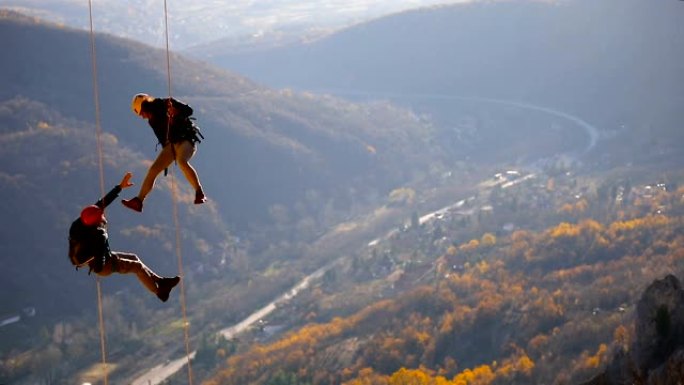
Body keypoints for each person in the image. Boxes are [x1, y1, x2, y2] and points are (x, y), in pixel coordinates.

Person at [69, 172, 180, 302]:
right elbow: (99, 264)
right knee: (136, 267)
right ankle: (159, 291)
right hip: (105, 265)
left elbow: (101, 203)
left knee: (134, 258)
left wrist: (119, 187)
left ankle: (160, 281)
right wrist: (110, 262)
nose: (103, 217)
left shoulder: (81, 223)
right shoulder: (99, 235)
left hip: (101, 256)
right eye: (101, 218)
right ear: (96, 223)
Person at [122, 93, 206, 213]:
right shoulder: (152, 121)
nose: (143, 117)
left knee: (182, 161)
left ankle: (199, 192)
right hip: (171, 145)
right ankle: (139, 201)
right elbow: (163, 139)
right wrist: (165, 158)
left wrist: (176, 112)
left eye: (141, 113)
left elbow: (189, 110)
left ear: (145, 107)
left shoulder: (166, 103)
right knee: (153, 170)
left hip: (186, 140)